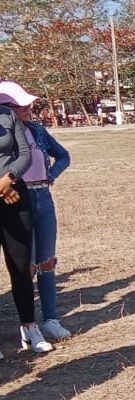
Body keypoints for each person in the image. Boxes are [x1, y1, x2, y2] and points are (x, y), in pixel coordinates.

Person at [2, 82, 72, 341]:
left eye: (29, 104)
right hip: (18, 198)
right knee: (25, 264)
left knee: (47, 260)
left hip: (43, 195)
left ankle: (51, 319)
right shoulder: (4, 136)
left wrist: (51, 175)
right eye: (20, 105)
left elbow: (63, 156)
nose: (28, 109)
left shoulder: (37, 130)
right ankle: (28, 323)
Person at [0, 83, 53, 355]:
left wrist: (9, 180)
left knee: (21, 265)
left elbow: (24, 155)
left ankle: (30, 326)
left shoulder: (8, 116)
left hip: (13, 196)